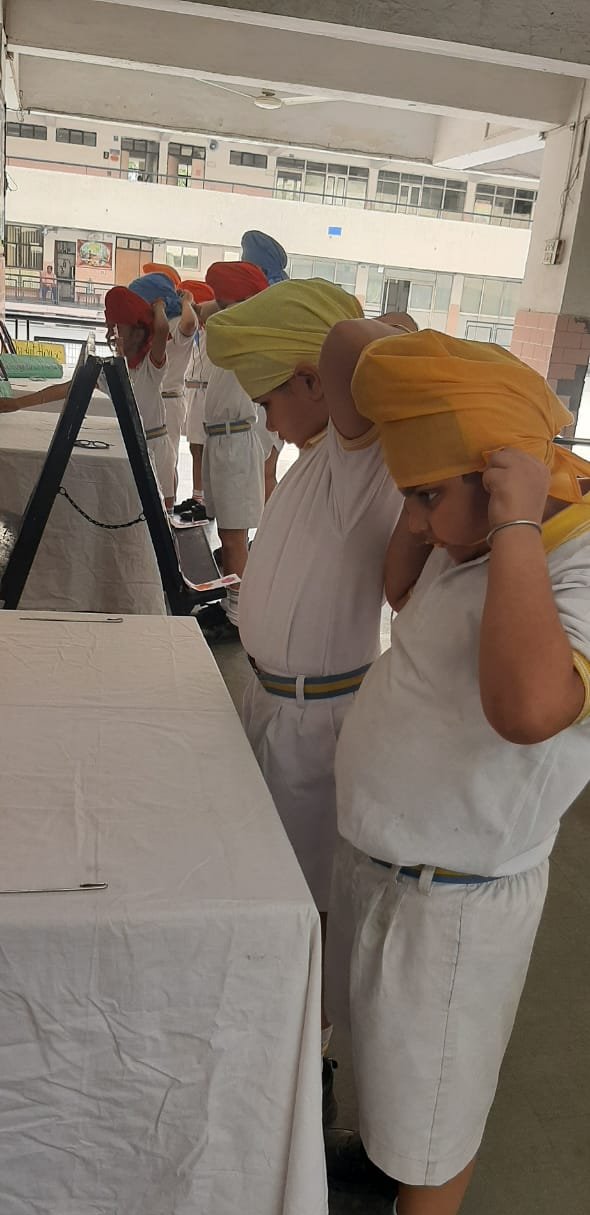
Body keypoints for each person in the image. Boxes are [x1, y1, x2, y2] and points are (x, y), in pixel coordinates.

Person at [316, 326, 590, 1215]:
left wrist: (512, 530)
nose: (419, 519)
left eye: (429, 495)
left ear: (505, 479)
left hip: (457, 897)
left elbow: (530, 708)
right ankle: (391, 1161)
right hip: (389, 864)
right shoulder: (463, 539)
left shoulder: (567, 557)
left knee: (439, 1083)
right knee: (390, 1054)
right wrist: (433, 514)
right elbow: (401, 591)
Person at [206, 279, 409, 1117]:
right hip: (272, 705)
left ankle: (306, 1059)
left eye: (270, 400)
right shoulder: (316, 457)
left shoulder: (362, 460)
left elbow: (374, 337)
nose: (267, 420)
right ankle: (279, 1027)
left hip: (317, 722)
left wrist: (333, 345)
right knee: (271, 879)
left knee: (311, 898)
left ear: (314, 381)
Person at [195, 260, 269, 644]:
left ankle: (238, 617)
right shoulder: (231, 326)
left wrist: (240, 302)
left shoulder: (249, 330)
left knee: (235, 536)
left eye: (225, 300)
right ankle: (231, 601)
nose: (218, 306)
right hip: (221, 440)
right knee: (227, 532)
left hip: (236, 442)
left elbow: (210, 313)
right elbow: (204, 311)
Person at [104, 285, 175, 510]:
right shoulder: (113, 369)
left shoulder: (150, 367)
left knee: (163, 513)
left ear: (137, 333)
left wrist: (159, 307)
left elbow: (162, 329)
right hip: (129, 446)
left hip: (156, 446)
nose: (110, 335)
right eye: (109, 329)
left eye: (116, 328)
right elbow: (70, 388)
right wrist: (20, 403)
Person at [129, 269, 197, 503]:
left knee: (168, 462)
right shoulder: (152, 326)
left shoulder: (176, 323)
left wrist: (187, 301)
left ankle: (168, 507)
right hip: (155, 399)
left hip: (169, 400)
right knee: (157, 461)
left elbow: (191, 323)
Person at [241, 229, 289, 499]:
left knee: (264, 471)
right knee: (264, 470)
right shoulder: (280, 295)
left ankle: (269, 525)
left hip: (268, 397)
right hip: (272, 397)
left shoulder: (266, 299)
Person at [173, 279, 218, 522]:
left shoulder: (214, 330)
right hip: (193, 391)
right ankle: (197, 495)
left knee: (205, 448)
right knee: (194, 447)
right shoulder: (194, 332)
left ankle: (206, 500)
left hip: (207, 391)